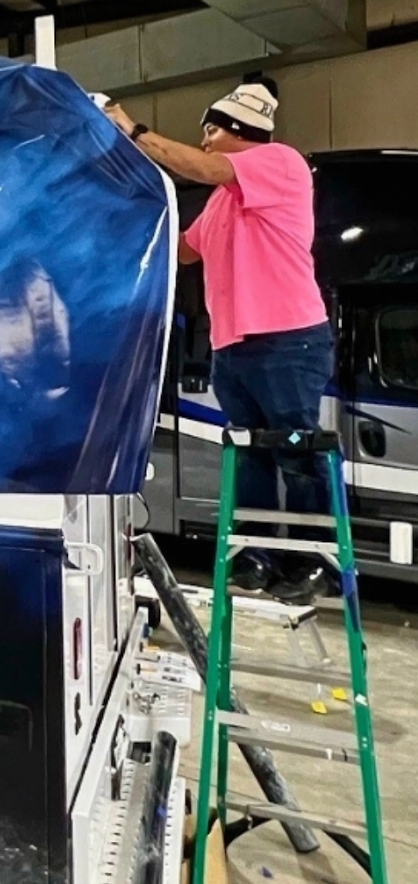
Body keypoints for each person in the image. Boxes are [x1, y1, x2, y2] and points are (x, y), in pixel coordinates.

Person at [106, 76, 333, 603]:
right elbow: (183, 250)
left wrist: (134, 130)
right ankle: (256, 558)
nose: (204, 141)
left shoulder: (281, 163)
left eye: (209, 131)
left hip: (287, 338)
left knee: (294, 450)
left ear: (235, 130)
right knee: (251, 453)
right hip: (234, 346)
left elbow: (201, 166)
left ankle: (312, 562)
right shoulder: (221, 204)